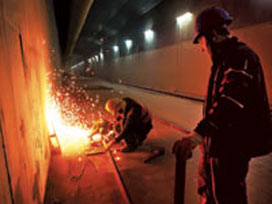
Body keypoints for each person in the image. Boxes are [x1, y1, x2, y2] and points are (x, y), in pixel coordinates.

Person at [172, 7, 272, 204]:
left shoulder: (241, 57)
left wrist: (197, 135)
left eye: (201, 41)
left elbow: (230, 102)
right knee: (208, 188)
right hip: (217, 144)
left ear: (214, 35)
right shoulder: (223, 62)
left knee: (227, 195)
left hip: (232, 146)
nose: (202, 48)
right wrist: (204, 141)